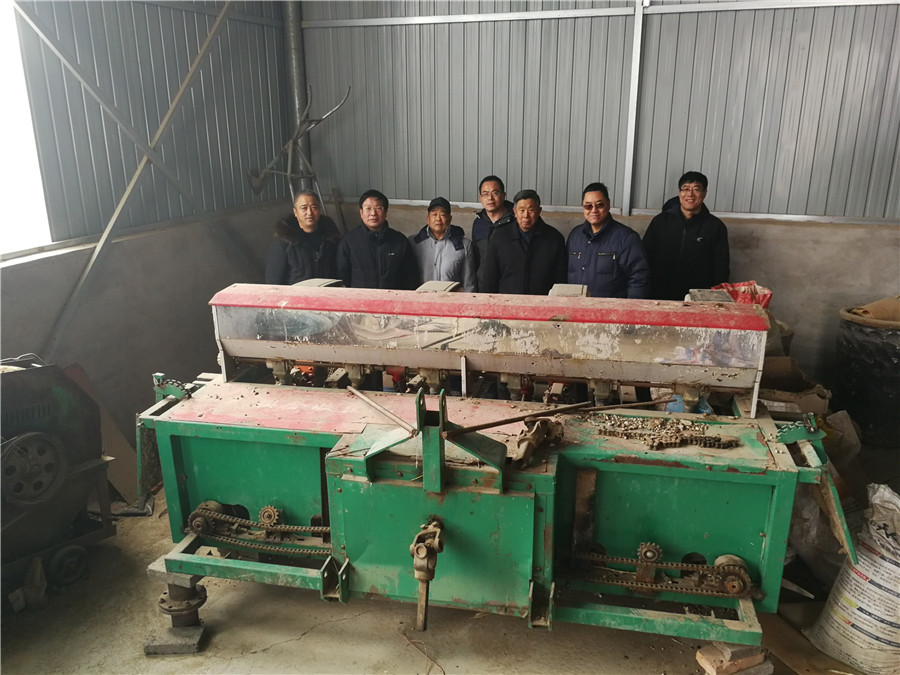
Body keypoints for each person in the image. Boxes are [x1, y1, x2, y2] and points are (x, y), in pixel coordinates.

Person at [642, 171, 730, 300]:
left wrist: (715, 297)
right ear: (680, 193)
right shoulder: (660, 222)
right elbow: (644, 256)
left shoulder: (715, 227)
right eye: (685, 189)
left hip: (697, 298)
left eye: (696, 189)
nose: (690, 194)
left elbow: (721, 269)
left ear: (704, 193)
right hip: (660, 294)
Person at [566, 182, 650, 298]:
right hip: (578, 306)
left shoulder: (626, 238)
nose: (594, 210)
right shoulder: (575, 236)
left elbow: (638, 279)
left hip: (611, 308)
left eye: (599, 205)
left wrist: (631, 307)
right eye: (588, 206)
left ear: (608, 205)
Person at [480, 189, 567, 295]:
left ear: (539, 211)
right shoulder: (499, 237)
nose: (526, 215)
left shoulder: (554, 239)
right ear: (515, 212)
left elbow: (560, 280)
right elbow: (489, 278)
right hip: (508, 302)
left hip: (542, 301)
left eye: (531, 210)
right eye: (521, 210)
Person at [336, 189, 419, 290]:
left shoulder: (399, 241)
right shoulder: (349, 241)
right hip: (360, 298)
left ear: (385, 212)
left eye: (378, 208)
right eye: (368, 208)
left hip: (392, 298)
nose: (373, 213)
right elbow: (343, 276)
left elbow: (410, 277)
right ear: (361, 212)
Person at [264, 190, 338, 284]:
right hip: (296, 292)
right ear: (295, 212)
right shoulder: (284, 240)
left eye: (314, 207)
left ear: (319, 209)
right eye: (304, 208)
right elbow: (273, 279)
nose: (309, 213)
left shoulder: (331, 237)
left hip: (325, 290)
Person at [409, 197, 478, 292]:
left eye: (443, 215)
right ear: (428, 219)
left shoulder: (464, 245)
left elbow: (469, 283)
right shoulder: (414, 243)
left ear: (449, 219)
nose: (438, 219)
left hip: (451, 299)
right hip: (421, 299)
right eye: (434, 214)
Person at [471, 175, 515, 289]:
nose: (490, 198)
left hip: (510, 287)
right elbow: (476, 258)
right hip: (484, 287)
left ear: (503, 195)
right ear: (480, 198)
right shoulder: (478, 224)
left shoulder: (515, 221)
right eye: (485, 194)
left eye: (495, 193)